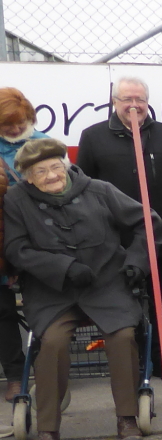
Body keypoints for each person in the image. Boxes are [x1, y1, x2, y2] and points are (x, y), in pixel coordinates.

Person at [5, 138, 154, 440]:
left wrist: (138, 261)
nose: (51, 176)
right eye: (40, 171)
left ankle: (126, 417)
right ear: (26, 177)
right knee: (52, 344)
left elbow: (147, 222)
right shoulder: (16, 201)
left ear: (67, 164)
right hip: (51, 291)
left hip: (106, 284)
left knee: (124, 335)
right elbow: (16, 249)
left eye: (55, 167)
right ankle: (49, 426)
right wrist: (64, 267)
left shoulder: (99, 190)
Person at [76, 76, 162, 381]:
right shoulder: (94, 137)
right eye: (127, 99)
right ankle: (135, 357)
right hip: (116, 240)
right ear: (115, 102)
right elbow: (82, 188)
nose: (134, 105)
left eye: (140, 99)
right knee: (126, 299)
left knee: (161, 297)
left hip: (157, 234)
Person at [0, 87, 41, 401]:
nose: (14, 129)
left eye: (19, 122)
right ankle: (15, 375)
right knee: (3, 311)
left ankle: (46, 366)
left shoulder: (44, 144)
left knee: (43, 304)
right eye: (6, 124)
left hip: (38, 238)